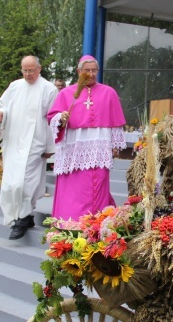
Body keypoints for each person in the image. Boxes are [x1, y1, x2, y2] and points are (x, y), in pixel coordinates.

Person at [47, 55, 126, 221]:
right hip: (73, 149)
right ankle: (71, 222)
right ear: (78, 71)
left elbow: (115, 123)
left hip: (99, 149)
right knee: (73, 189)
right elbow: (53, 117)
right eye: (87, 71)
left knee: (98, 186)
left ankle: (96, 226)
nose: (91, 74)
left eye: (94, 71)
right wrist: (61, 118)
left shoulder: (109, 92)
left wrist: (113, 145)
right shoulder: (66, 93)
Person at [0, 55, 57, 240]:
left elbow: (52, 119)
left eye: (31, 70)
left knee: (25, 183)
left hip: (35, 143)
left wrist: (50, 146)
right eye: (25, 70)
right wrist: (0, 114)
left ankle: (20, 220)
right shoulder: (15, 86)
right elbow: (3, 106)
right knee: (11, 183)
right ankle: (26, 215)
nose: (28, 74)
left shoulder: (49, 89)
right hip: (13, 142)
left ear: (39, 69)